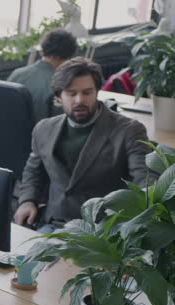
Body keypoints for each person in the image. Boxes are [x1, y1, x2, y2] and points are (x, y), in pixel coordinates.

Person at [14, 57, 151, 231]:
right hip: (55, 224)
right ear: (58, 96)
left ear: (97, 92)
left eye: (87, 92)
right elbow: (33, 172)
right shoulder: (43, 129)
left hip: (103, 231)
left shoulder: (129, 130)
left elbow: (145, 182)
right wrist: (27, 201)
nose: (79, 100)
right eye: (71, 93)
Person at [8, 29, 78, 121]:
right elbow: (62, 123)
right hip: (41, 134)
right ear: (68, 56)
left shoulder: (16, 74)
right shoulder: (60, 84)